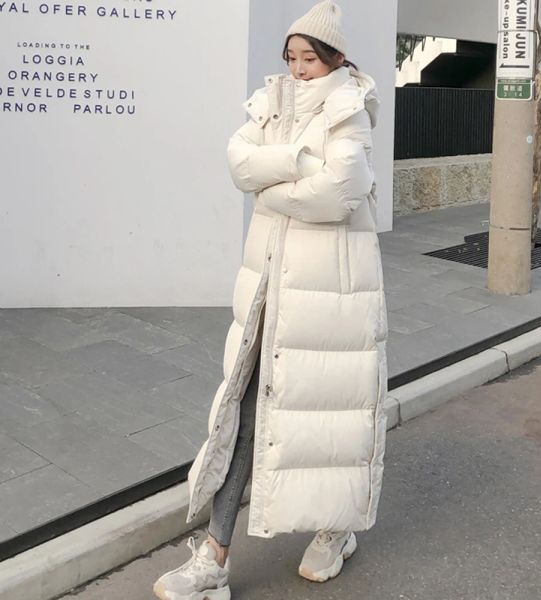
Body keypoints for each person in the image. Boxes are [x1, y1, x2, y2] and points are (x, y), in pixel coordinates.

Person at [153, 1, 388, 598]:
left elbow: (340, 195)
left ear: (335, 58)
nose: (299, 68)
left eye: (310, 57)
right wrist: (290, 166)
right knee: (243, 416)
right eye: (292, 56)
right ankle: (214, 559)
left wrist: (269, 190)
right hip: (266, 289)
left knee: (333, 418)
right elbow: (238, 161)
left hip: (330, 292)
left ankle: (336, 528)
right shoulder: (271, 101)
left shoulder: (350, 106)